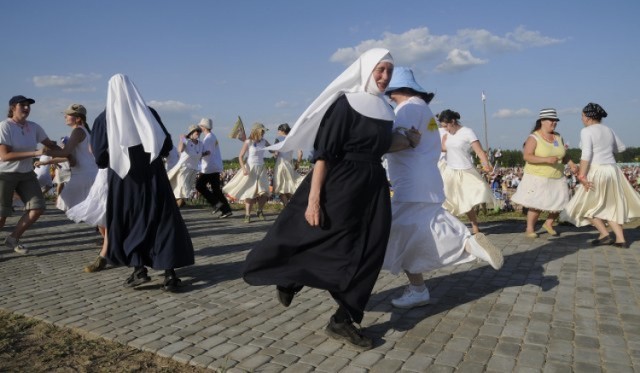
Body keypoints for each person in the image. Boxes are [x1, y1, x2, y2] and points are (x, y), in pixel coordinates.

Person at [243, 48, 420, 349]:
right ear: (366, 69)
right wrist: (313, 200)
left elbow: (379, 144)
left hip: (373, 184)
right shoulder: (345, 103)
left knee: (371, 248)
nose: (385, 76)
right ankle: (289, 276)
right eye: (380, 69)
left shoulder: (385, 109)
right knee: (320, 236)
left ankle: (343, 319)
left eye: (389, 71)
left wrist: (407, 141)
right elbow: (324, 154)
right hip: (340, 181)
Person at [382, 67, 503, 309]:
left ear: (396, 88)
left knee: (400, 234)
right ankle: (418, 289)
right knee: (410, 236)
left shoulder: (406, 109)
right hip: (424, 180)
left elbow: (399, 141)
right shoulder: (423, 109)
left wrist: (372, 142)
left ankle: (467, 244)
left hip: (411, 182)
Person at [91, 74, 194, 291]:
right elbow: (165, 146)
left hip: (124, 182)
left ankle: (139, 271)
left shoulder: (103, 119)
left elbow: (100, 158)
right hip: (154, 177)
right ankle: (169, 274)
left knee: (131, 221)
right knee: (162, 221)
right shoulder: (148, 113)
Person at [561, 103, 640, 247]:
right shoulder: (608, 129)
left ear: (589, 117)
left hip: (597, 170)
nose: (581, 118)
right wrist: (606, 149)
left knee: (584, 207)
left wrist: (582, 176)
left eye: (583, 115)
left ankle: (605, 233)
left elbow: (586, 155)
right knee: (611, 205)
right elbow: (621, 148)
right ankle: (619, 238)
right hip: (612, 169)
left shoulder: (587, 131)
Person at [0, 95, 60, 254]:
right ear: (13, 108)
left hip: (26, 174)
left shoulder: (34, 127)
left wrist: (70, 153)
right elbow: (5, 156)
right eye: (23, 105)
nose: (26, 108)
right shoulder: (5, 126)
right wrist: (35, 152)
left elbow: (50, 145)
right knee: (2, 214)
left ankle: (13, 239)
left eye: (28, 106)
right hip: (5, 174)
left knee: (38, 207)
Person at [511, 109, 573, 238]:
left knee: (561, 203)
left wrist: (572, 164)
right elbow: (527, 156)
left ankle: (548, 223)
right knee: (536, 205)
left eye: (556, 120)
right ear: (542, 121)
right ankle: (530, 228)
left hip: (557, 176)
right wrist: (546, 159)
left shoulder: (558, 137)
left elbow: (564, 155)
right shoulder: (534, 137)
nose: (554, 122)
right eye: (551, 120)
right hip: (538, 176)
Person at [439, 109, 496, 234]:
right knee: (448, 200)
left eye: (446, 126)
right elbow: (444, 148)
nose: (445, 129)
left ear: (452, 122)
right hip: (450, 170)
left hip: (466, 170)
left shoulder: (467, 132)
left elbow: (479, 151)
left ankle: (474, 226)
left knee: (469, 198)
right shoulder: (446, 134)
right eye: (443, 126)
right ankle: (449, 227)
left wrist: (486, 165)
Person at [43, 104, 98, 211]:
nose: (65, 117)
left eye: (68, 115)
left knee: (64, 204)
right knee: (92, 209)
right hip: (90, 173)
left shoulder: (78, 131)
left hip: (83, 175)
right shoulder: (86, 132)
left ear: (77, 118)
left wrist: (43, 152)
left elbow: (65, 152)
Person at [222, 123, 271, 223]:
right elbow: (240, 156)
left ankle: (259, 211)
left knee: (265, 192)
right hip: (250, 169)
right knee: (249, 193)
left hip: (261, 168)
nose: (263, 133)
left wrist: (275, 152)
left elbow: (271, 149)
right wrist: (243, 168)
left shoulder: (264, 141)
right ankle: (247, 215)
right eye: (262, 131)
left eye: (263, 131)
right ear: (256, 131)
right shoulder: (248, 142)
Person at [66, 167, 109, 272]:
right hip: (102, 175)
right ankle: (109, 248)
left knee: (108, 215)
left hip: (114, 173)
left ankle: (104, 254)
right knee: (100, 216)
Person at [196, 117, 232, 218]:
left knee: (199, 186)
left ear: (203, 127)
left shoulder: (208, 138)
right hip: (215, 166)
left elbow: (207, 152)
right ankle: (226, 210)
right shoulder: (212, 136)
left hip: (208, 167)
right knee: (216, 190)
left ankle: (216, 204)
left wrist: (197, 155)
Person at [168, 124, 205, 207]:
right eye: (196, 131)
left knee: (183, 194)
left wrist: (205, 154)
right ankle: (173, 214)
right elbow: (180, 149)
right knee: (182, 193)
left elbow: (197, 155)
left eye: (199, 131)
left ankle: (172, 208)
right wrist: (182, 139)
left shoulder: (201, 144)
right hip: (184, 169)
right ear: (191, 133)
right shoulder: (187, 141)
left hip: (193, 171)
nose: (198, 133)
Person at [272, 123, 303, 206]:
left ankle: (286, 207)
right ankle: (292, 205)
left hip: (280, 164)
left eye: (278, 130)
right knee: (289, 187)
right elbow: (300, 153)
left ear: (282, 131)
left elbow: (276, 153)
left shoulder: (278, 139)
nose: (278, 132)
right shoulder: (293, 139)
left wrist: (274, 155)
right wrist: (297, 164)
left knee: (280, 188)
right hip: (289, 164)